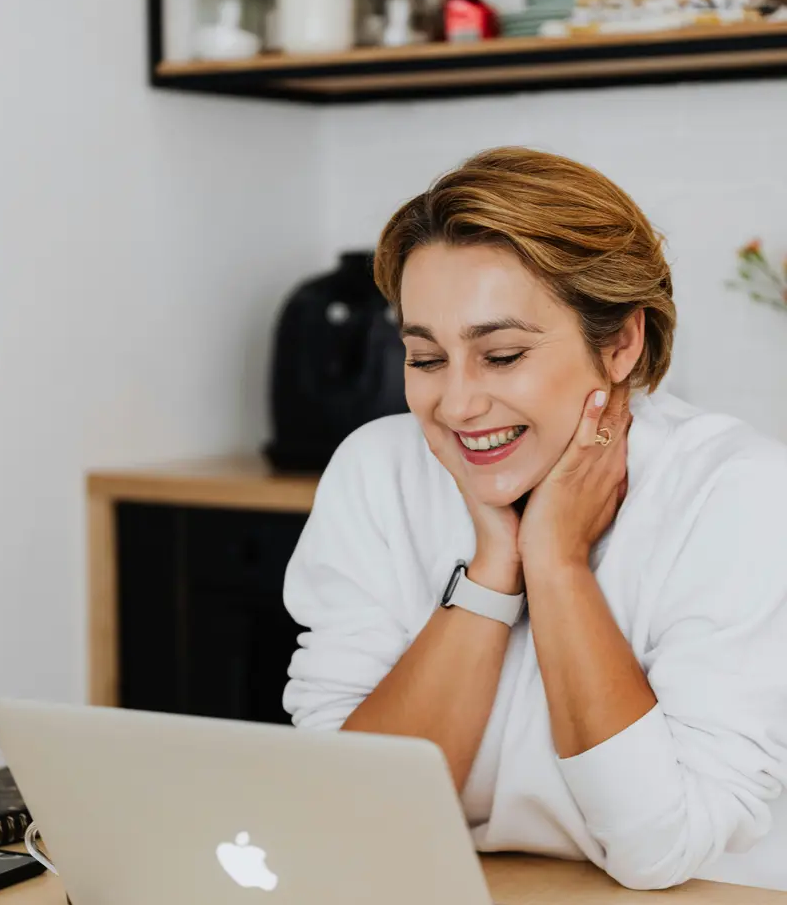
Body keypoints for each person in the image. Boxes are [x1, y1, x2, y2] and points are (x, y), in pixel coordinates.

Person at [282, 147, 787, 891]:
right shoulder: (377, 470)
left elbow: (661, 847)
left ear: (620, 343)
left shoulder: (737, 489)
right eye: (425, 359)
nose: (456, 405)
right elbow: (350, 818)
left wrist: (556, 562)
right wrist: (494, 567)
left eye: (502, 354)